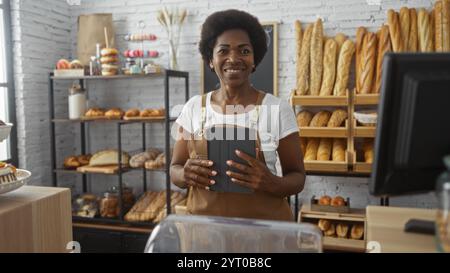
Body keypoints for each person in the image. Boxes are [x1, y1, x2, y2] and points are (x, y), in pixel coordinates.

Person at [170, 9, 305, 221]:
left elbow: (297, 177)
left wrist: (272, 182)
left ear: (254, 59)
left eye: (244, 51)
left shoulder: (278, 109)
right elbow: (175, 169)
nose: (233, 58)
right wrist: (184, 175)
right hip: (206, 232)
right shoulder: (193, 108)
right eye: (223, 51)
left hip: (265, 233)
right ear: (210, 60)